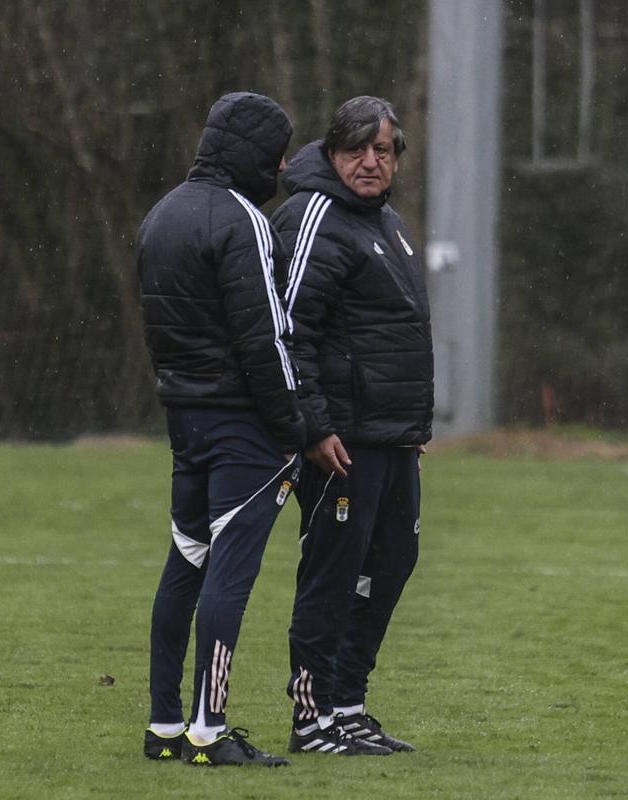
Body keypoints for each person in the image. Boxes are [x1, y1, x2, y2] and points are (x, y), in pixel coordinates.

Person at [136, 91, 305, 766]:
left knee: (186, 559)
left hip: (184, 418)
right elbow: (265, 337)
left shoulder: (160, 215)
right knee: (228, 575)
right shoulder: (243, 220)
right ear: (257, 154)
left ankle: (164, 725)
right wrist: (291, 427)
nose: (286, 166)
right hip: (242, 426)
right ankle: (210, 728)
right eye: (280, 154)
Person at [271, 96, 432, 756]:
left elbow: (395, 333)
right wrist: (311, 426)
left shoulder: (384, 221)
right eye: (357, 149)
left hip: (390, 437)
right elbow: (290, 330)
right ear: (332, 153)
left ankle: (348, 703)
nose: (371, 161)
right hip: (340, 439)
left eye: (384, 150)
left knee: (393, 560)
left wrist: (410, 433)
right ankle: (312, 719)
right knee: (333, 572)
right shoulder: (314, 215)